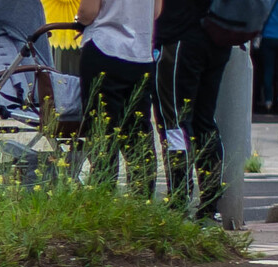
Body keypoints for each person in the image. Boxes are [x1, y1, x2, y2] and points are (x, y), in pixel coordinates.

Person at [154, 0, 239, 222]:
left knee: (175, 121)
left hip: (181, 38)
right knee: (204, 120)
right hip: (217, 39)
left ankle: (179, 202)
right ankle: (210, 206)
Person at [76, 0, 159, 188]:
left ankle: (103, 195)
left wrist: (79, 20)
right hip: (141, 53)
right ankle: (141, 199)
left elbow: (88, 12)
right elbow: (156, 12)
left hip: (104, 46)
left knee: (103, 132)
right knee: (138, 133)